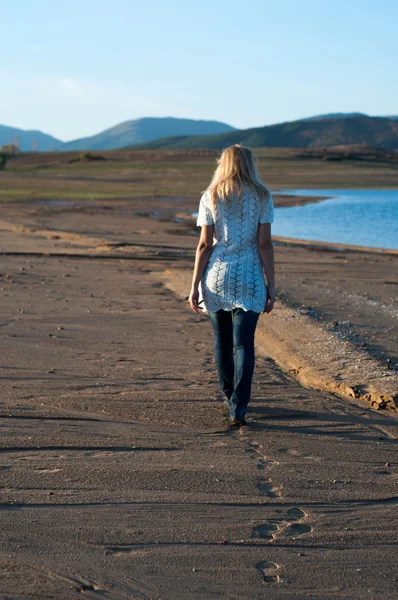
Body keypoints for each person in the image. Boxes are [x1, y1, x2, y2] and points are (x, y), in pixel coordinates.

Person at [188, 144, 275, 427]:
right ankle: (239, 405)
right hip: (250, 277)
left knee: (222, 342)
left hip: (217, 275)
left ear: (222, 164)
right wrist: (271, 285)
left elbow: (204, 245)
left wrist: (194, 286)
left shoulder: (210, 195)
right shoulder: (262, 196)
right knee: (244, 344)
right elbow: (264, 244)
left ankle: (230, 397)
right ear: (250, 164)